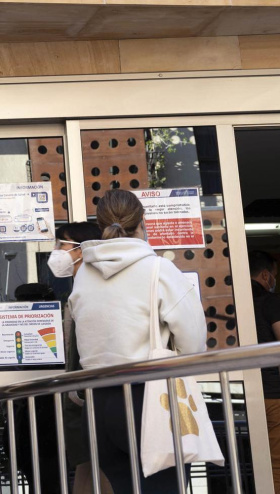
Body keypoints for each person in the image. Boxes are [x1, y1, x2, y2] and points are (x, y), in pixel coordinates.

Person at [68, 189, 206, 494]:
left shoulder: (84, 277)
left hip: (99, 403)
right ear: (142, 221)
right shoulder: (159, 269)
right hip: (151, 398)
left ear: (100, 223)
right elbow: (194, 343)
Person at [49, 221, 114, 494]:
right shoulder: (78, 288)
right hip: (83, 398)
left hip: (95, 398)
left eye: (62, 245)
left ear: (80, 250)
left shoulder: (95, 288)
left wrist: (77, 390)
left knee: (103, 472)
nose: (56, 252)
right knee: (87, 472)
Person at [248, 250, 280, 491]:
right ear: (266, 275)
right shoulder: (270, 302)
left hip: (237, 396)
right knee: (276, 464)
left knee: (246, 461)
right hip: (271, 394)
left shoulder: (230, 299)